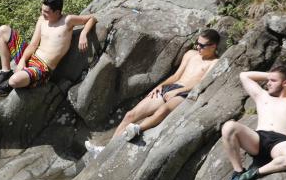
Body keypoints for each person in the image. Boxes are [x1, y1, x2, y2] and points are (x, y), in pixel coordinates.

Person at [85, 29, 220, 156]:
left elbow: (201, 83)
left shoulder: (215, 63)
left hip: (186, 93)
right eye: (197, 43)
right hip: (172, 88)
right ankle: (105, 151)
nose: (198, 47)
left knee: (163, 111)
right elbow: (177, 76)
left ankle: (138, 128)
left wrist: (179, 90)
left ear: (213, 46)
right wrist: (160, 87)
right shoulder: (190, 54)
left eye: (202, 46)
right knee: (130, 115)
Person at [0, 0, 96, 96]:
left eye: (46, 12)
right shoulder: (41, 20)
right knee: (2, 31)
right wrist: (22, 61)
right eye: (42, 10)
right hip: (31, 56)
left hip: (42, 69)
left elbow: (92, 18)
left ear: (57, 12)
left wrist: (83, 34)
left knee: (14, 81)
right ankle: (6, 71)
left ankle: (13, 79)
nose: (42, 13)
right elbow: (33, 44)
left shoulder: (68, 20)